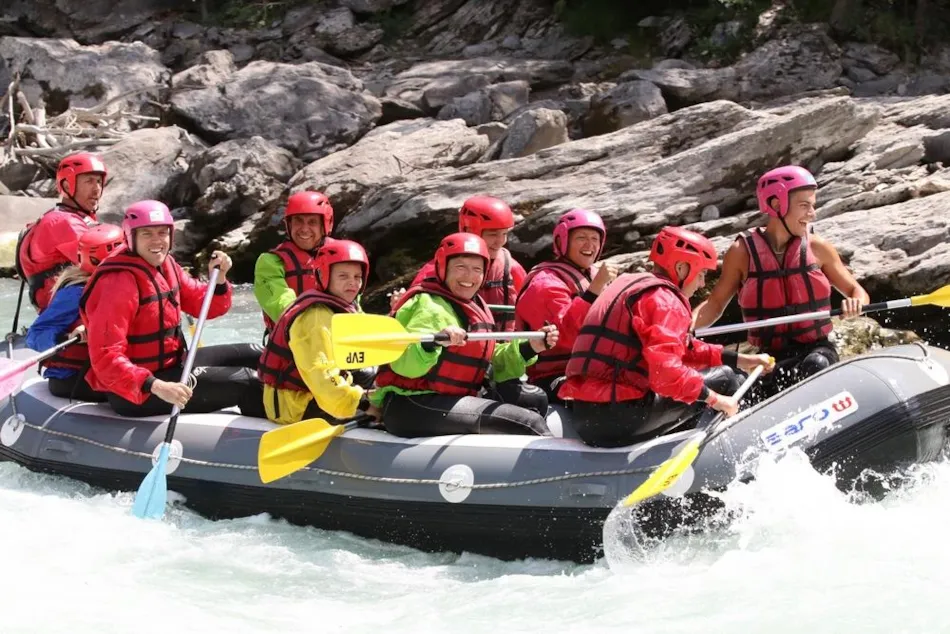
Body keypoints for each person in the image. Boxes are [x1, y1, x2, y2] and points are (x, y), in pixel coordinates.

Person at [559, 226, 774, 448]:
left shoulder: (630, 285)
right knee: (729, 379)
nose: (701, 284)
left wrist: (739, 359)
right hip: (621, 418)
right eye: (701, 275)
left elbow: (682, 348)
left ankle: (683, 442)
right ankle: (753, 446)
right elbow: (666, 374)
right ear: (681, 268)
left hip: (585, 415)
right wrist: (715, 399)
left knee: (721, 373)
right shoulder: (665, 300)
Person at [692, 165, 870, 395]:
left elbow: (858, 291)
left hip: (817, 349)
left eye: (812, 205)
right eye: (804, 205)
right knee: (737, 387)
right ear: (777, 204)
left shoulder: (818, 247)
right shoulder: (741, 252)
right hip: (769, 358)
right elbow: (715, 304)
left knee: (815, 365)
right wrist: (684, 326)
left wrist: (856, 303)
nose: (812, 213)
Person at [80, 200, 266, 418]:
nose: (157, 240)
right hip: (137, 391)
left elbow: (204, 305)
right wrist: (157, 386)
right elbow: (105, 357)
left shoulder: (165, 264)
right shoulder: (118, 283)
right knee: (246, 381)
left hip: (173, 365)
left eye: (162, 232)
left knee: (258, 353)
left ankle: (306, 406)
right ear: (131, 237)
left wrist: (220, 278)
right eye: (147, 234)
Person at [371, 233, 559, 438]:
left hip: (449, 398)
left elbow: (492, 361)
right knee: (528, 422)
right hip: (413, 404)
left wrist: (529, 347)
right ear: (443, 268)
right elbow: (404, 365)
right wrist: (433, 343)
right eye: (460, 268)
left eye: (477, 269)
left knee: (533, 400)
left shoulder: (475, 305)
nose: (469, 277)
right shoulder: (429, 305)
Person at [258, 238, 380, 425]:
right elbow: (322, 376)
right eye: (343, 276)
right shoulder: (315, 317)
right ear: (324, 275)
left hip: (317, 395)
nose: (352, 283)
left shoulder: (343, 307)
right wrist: (365, 404)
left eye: (357, 277)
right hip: (296, 407)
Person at [514, 209, 619, 401]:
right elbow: (565, 335)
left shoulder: (596, 276)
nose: (590, 245)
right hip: (553, 376)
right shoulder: (545, 283)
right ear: (563, 241)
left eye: (595, 239)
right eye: (581, 238)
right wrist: (593, 291)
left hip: (597, 369)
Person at [394, 196, 527, 331]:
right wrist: (401, 305)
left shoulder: (511, 267)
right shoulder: (436, 270)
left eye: (504, 234)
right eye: (493, 234)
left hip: (504, 348)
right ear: (470, 231)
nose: (501, 241)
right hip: (455, 344)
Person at [26, 224, 124, 402]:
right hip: (73, 378)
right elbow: (36, 334)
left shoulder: (126, 284)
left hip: (104, 372)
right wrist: (67, 337)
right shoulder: (77, 292)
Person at [16, 152, 106, 312]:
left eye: (99, 181)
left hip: (69, 305)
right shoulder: (62, 222)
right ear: (66, 185)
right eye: (89, 181)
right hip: (68, 312)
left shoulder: (69, 217)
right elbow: (104, 263)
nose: (97, 189)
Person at [254, 191, 334, 336]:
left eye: (312, 222)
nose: (304, 229)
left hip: (336, 339)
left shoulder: (340, 258)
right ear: (289, 225)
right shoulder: (270, 262)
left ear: (325, 225)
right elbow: (281, 304)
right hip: (292, 345)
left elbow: (353, 304)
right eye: (298, 220)